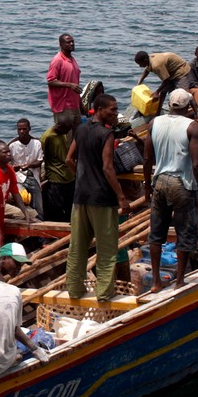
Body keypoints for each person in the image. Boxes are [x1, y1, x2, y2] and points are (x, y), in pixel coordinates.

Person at [67, 92, 133, 302]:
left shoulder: (81, 129)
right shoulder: (107, 134)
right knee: (106, 249)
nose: (115, 113)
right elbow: (107, 168)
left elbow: (69, 159)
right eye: (112, 109)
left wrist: (81, 178)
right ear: (100, 110)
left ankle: (75, 289)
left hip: (80, 198)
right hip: (102, 199)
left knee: (77, 246)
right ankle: (104, 292)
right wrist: (121, 197)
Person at [147, 89, 198, 291]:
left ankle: (156, 281)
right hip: (181, 184)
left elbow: (147, 159)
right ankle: (180, 279)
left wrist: (147, 189)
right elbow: (197, 165)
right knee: (186, 233)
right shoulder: (192, 126)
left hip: (159, 182)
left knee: (156, 234)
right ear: (188, 106)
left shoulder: (154, 123)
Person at [40, 110, 77, 217]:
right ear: (59, 126)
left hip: (69, 176)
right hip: (56, 178)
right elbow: (41, 157)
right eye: (66, 129)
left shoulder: (62, 134)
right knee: (56, 209)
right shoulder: (47, 137)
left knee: (70, 206)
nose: (67, 132)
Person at [9, 118, 44, 220]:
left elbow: (40, 161)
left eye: (24, 129)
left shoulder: (37, 143)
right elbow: (7, 163)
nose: (22, 132)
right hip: (19, 178)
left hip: (33, 176)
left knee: (39, 205)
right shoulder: (12, 145)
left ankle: (40, 225)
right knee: (22, 200)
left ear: (29, 129)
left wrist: (28, 166)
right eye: (19, 129)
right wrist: (13, 168)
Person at [46, 33, 82, 123]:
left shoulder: (72, 60)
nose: (71, 44)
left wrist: (81, 105)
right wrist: (69, 85)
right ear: (61, 44)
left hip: (75, 105)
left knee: (77, 135)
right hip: (63, 107)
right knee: (66, 136)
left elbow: (76, 85)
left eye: (72, 42)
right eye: (68, 42)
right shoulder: (58, 60)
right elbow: (51, 81)